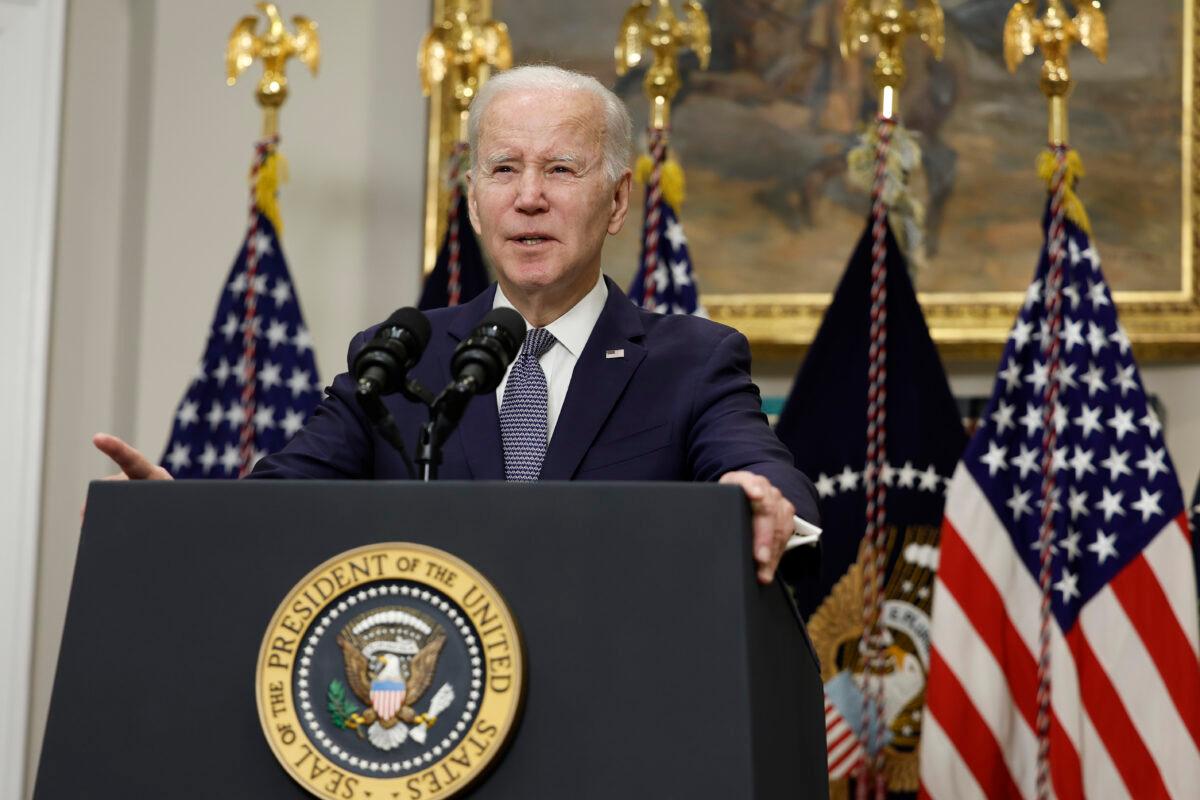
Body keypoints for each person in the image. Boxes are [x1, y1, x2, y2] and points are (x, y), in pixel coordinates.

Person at [94, 65, 820, 585]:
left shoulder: (689, 360)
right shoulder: (401, 356)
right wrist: (184, 513)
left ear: (619, 200)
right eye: (503, 169)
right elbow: (285, 495)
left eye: (561, 170)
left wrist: (760, 496)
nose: (528, 198)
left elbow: (760, 468)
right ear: (473, 201)